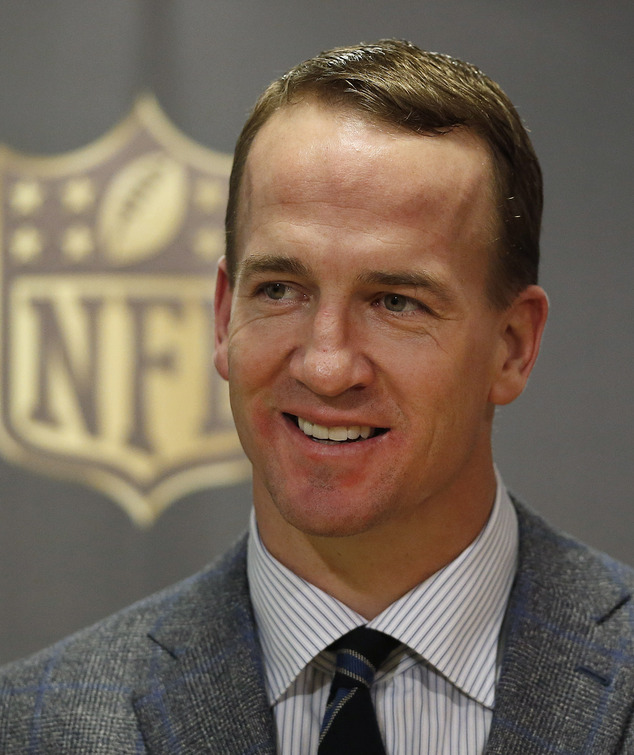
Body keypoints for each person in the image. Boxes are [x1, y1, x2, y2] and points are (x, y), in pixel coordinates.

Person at [1, 39, 633, 755]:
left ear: (513, 345)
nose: (328, 366)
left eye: (396, 301)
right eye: (280, 290)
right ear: (222, 313)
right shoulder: (33, 725)